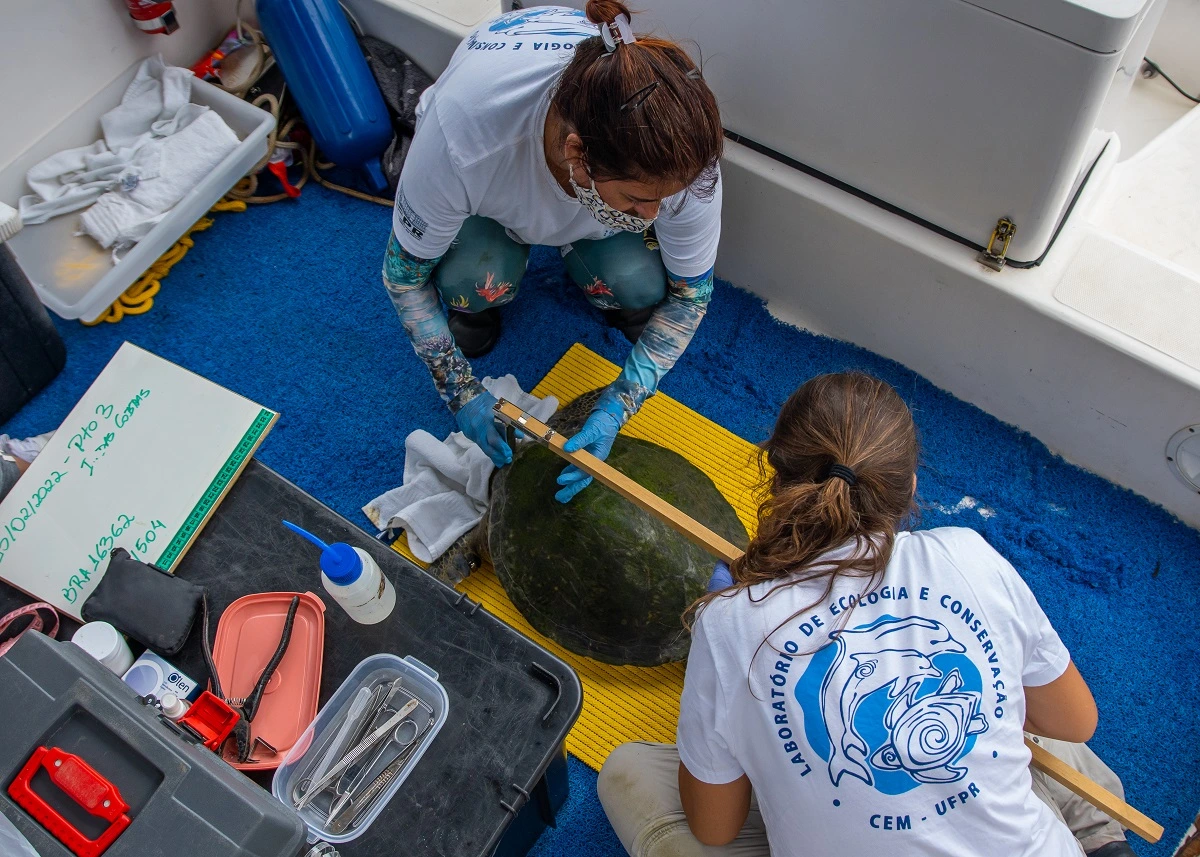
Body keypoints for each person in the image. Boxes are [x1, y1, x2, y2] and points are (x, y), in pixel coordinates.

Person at [598, 373, 1136, 857]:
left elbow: (715, 828)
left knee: (627, 772)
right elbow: (1075, 723)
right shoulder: (968, 555)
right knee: (1022, 686)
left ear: (774, 476)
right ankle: (1099, 838)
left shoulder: (728, 623)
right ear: (911, 489)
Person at [381, 2, 723, 502]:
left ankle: (587, 244)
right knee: (471, 284)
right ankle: (487, 298)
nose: (654, 216)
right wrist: (461, 392)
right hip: (494, 200)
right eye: (638, 200)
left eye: (662, 199)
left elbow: (691, 296)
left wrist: (618, 405)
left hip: (586, 190)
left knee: (643, 287)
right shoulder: (464, 138)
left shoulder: (681, 145)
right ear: (577, 155)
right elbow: (402, 277)